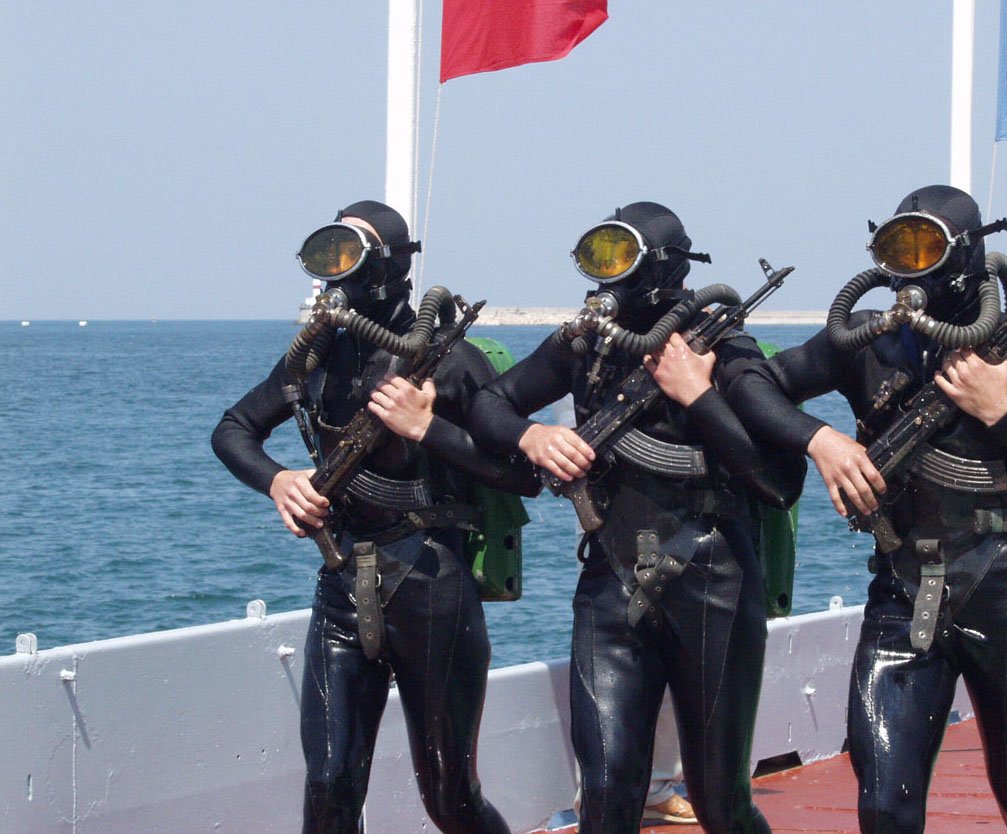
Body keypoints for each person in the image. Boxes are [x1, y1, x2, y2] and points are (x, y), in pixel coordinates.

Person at [731, 184, 1007, 834]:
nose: (909, 266)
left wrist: (1000, 411)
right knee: (883, 808)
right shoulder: (868, 340)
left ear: (966, 254)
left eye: (924, 247)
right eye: (896, 249)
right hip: (903, 593)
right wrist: (820, 440)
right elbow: (751, 380)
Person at [467, 201, 806, 834]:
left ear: (662, 267)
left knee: (720, 803)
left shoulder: (723, 347)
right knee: (604, 793)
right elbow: (491, 402)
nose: (608, 274)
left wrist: (697, 394)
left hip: (714, 583)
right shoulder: (586, 344)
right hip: (611, 578)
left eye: (620, 257)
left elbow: (778, 482)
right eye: (598, 258)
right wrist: (531, 436)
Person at [211, 200, 538, 834]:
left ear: (387, 265)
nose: (336, 271)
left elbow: (524, 475)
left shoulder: (449, 360)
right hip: (342, 587)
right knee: (329, 786)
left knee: (450, 798)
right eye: (327, 255)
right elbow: (234, 429)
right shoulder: (315, 357)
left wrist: (427, 427)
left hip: (432, 587)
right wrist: (279, 480)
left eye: (349, 254)